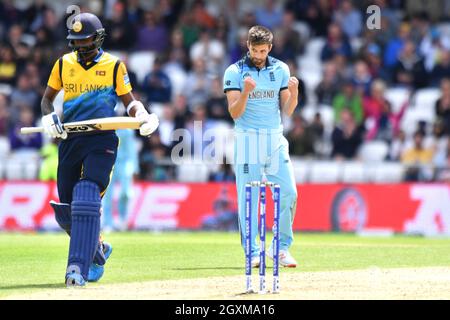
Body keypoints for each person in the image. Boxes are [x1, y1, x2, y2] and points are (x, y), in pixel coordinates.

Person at [40, 13, 159, 286]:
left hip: (101, 139)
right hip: (70, 139)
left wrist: (142, 114)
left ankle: (76, 269)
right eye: (76, 42)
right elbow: (47, 100)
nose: (81, 47)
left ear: (98, 38)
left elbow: (129, 102)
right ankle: (98, 248)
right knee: (69, 209)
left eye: (86, 40)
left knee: (86, 195)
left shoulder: (114, 66)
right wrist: (48, 117)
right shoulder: (63, 64)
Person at [223, 25, 298, 268]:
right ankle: (253, 251)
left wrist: (295, 93)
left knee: (289, 192)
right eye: (254, 50)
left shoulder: (281, 69)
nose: (258, 55)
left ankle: (281, 247)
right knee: (250, 197)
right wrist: (245, 92)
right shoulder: (234, 71)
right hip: (248, 141)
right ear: (248, 46)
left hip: (275, 140)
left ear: (270, 48)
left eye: (263, 51)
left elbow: (287, 110)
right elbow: (234, 112)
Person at [102, 128, 138, 232]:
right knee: (107, 194)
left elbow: (131, 149)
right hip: (109, 162)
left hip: (124, 163)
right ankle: (108, 223)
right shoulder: (107, 127)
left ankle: (123, 219)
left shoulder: (127, 130)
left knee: (126, 192)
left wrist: (134, 167)